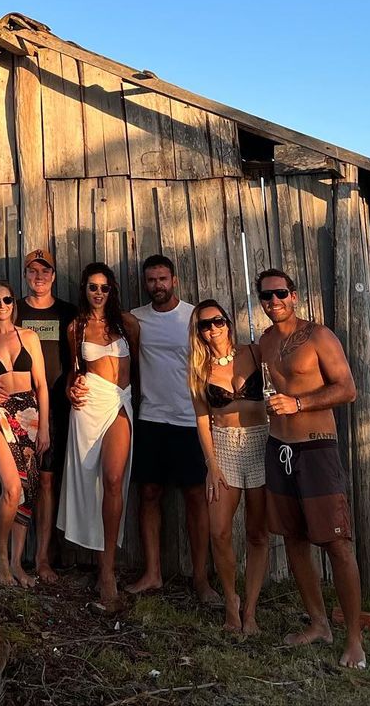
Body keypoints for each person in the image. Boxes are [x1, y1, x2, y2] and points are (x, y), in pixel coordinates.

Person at [257, 268, 366, 670]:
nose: (273, 302)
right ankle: (319, 623)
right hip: (278, 447)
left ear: (295, 296)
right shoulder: (265, 342)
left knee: (337, 543)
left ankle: (354, 639)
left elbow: (348, 389)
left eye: (280, 294)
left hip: (317, 449)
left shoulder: (319, 336)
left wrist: (299, 404)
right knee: (293, 538)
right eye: (266, 296)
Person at [125, 254, 216, 604]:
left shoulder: (194, 317)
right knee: (148, 494)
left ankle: (201, 579)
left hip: (189, 420)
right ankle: (152, 574)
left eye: (163, 279)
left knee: (196, 497)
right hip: (150, 417)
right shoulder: (136, 319)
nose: (157, 286)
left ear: (174, 280)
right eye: (151, 280)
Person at [58, 263, 140, 613]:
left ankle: (108, 570)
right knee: (90, 482)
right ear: (84, 289)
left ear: (112, 290)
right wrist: (70, 390)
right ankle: (99, 564)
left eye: (105, 287)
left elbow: (141, 368)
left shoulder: (128, 324)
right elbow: (72, 372)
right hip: (89, 403)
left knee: (113, 479)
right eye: (93, 287)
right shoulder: (76, 327)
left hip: (120, 402)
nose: (98, 293)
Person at [188, 300, 270, 635]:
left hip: (261, 444)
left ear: (228, 322)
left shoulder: (254, 352)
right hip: (222, 447)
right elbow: (202, 419)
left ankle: (250, 611)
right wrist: (211, 464)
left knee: (257, 533)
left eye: (217, 322)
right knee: (219, 531)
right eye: (205, 325)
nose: (212, 329)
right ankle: (231, 602)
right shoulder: (198, 368)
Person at [0, 281, 51, 588]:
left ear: (14, 303)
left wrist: (44, 427)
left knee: (27, 492)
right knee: (13, 487)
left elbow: (41, 385)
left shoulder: (28, 336)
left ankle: (17, 562)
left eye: (6, 300)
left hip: (29, 415)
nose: (1, 306)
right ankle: (0, 554)